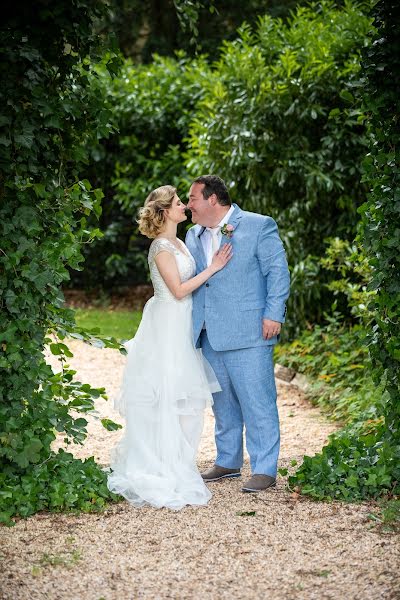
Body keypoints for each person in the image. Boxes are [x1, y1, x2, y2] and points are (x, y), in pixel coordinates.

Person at [107, 184, 232, 510]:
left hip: (183, 324)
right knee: (167, 395)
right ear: (164, 212)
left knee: (188, 399)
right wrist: (213, 268)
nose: (185, 207)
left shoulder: (181, 240)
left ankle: (180, 462)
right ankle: (162, 467)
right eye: (179, 203)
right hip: (167, 323)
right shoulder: (161, 247)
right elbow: (177, 290)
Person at [185, 175, 290, 492]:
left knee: (258, 401)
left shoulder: (259, 225)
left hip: (251, 330)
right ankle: (228, 461)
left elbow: (278, 271)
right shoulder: (192, 234)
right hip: (208, 331)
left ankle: (264, 468)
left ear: (212, 199)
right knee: (222, 403)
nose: (188, 204)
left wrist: (274, 313)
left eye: (192, 198)